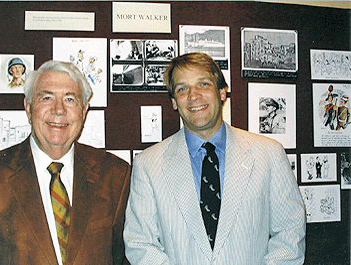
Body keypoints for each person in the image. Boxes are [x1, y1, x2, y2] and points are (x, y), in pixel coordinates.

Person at [124, 52, 306, 264]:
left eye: (203, 84)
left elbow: (290, 233)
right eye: (182, 89)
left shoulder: (269, 154)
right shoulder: (148, 164)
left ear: (222, 92)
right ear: (174, 102)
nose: (193, 96)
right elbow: (140, 244)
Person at [0, 61, 131, 265]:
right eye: (47, 97)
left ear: (84, 111)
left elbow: (124, 257)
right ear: (28, 107)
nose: (58, 110)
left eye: (70, 99)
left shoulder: (115, 175)